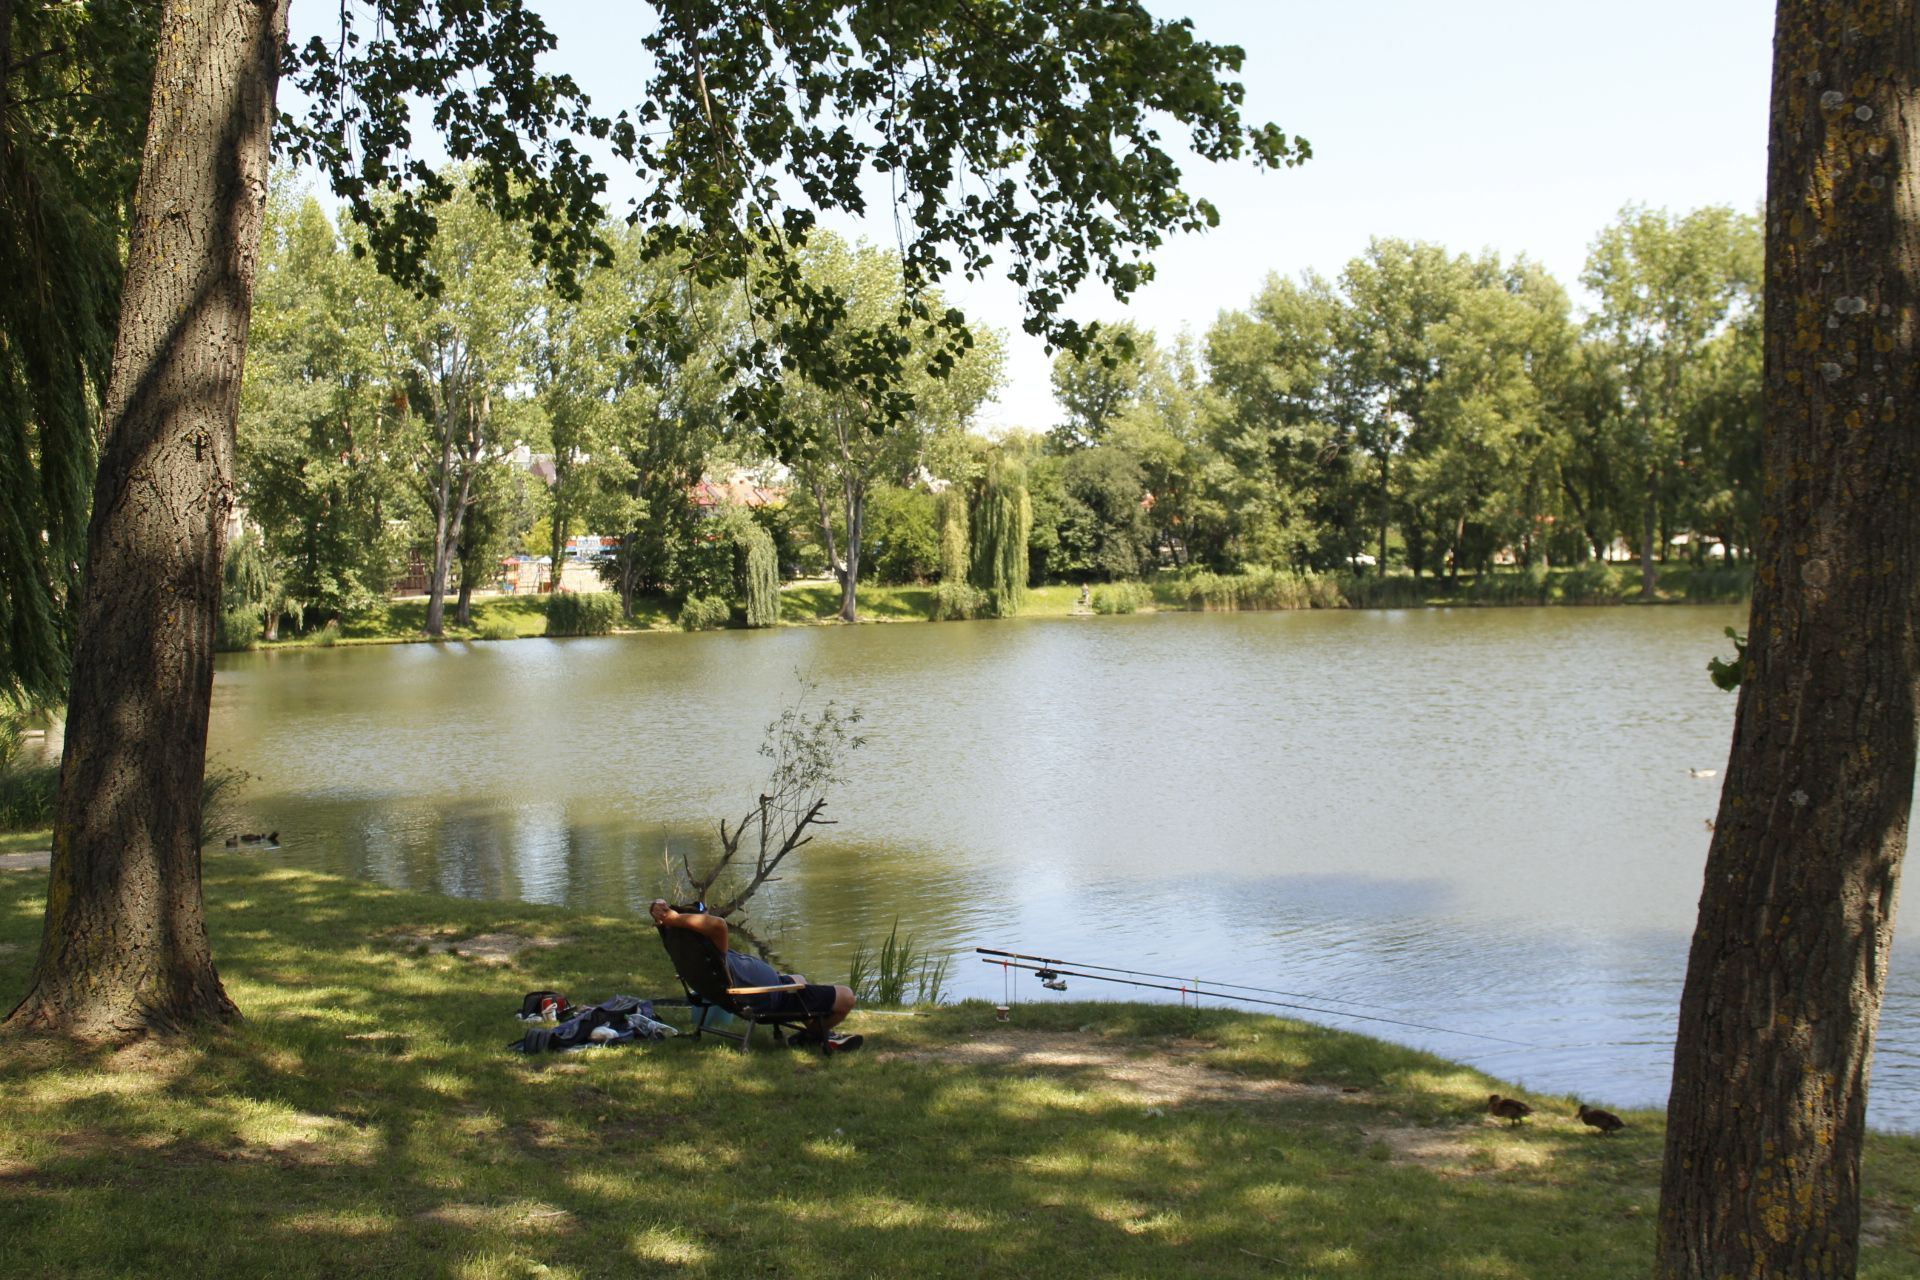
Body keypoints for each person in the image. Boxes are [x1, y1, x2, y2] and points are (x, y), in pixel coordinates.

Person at [649, 899, 862, 1052]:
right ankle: (814, 1034)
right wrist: (675, 919)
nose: (708, 915)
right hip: (766, 998)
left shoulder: (695, 952)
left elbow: (706, 924)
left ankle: (815, 1030)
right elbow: (719, 925)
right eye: (703, 914)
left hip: (770, 987)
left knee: (799, 979)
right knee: (846, 997)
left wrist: (659, 908)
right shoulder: (715, 949)